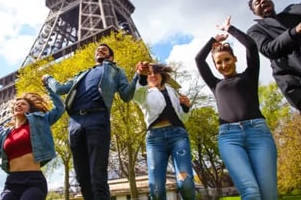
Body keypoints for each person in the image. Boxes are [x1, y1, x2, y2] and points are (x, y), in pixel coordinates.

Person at [43, 43, 147, 200]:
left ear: (110, 57)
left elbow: (126, 95)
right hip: (75, 122)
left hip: (97, 118)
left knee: (97, 174)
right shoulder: (82, 74)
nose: (100, 50)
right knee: (82, 177)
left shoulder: (116, 71)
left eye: (104, 49)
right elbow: (60, 89)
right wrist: (48, 78)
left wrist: (139, 76)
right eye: (98, 49)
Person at [195, 16, 278, 200]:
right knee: (250, 191)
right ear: (215, 66)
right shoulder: (215, 84)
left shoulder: (249, 76)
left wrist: (229, 29)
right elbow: (199, 60)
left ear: (235, 59)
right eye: (219, 62)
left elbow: (251, 46)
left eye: (227, 59)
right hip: (229, 138)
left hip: (258, 133)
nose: (224, 65)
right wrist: (213, 41)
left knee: (269, 194)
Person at [0, 81, 65, 200]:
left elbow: (60, 108)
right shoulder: (4, 135)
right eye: (16, 104)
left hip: (33, 181)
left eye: (23, 104)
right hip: (12, 182)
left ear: (29, 109)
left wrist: (49, 85)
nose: (18, 105)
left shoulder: (39, 122)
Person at [133, 63, 195, 200]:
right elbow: (136, 94)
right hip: (155, 140)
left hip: (178, 135)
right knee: (156, 188)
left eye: (155, 72)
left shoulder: (172, 91)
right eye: (149, 74)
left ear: (162, 75)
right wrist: (141, 76)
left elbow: (183, 118)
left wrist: (185, 107)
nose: (153, 75)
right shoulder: (144, 94)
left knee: (186, 183)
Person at [247, 0, 301, 111]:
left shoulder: (291, 12)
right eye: (257, 2)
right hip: (295, 80)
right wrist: (295, 31)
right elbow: (268, 49)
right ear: (254, 12)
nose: (262, 1)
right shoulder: (255, 30)